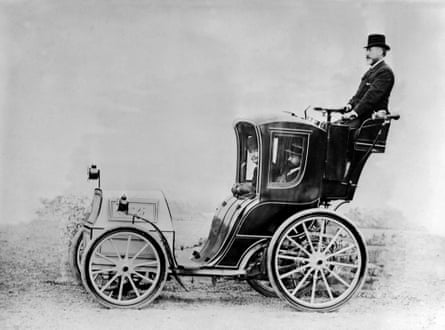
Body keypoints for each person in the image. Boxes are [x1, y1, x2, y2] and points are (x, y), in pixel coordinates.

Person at [341, 34, 395, 128]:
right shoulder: (370, 72)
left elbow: (371, 97)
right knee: (329, 127)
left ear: (380, 51)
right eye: (367, 50)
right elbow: (359, 94)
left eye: (370, 50)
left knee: (337, 131)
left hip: (370, 121)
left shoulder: (385, 72)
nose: (367, 54)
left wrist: (355, 112)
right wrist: (350, 105)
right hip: (361, 118)